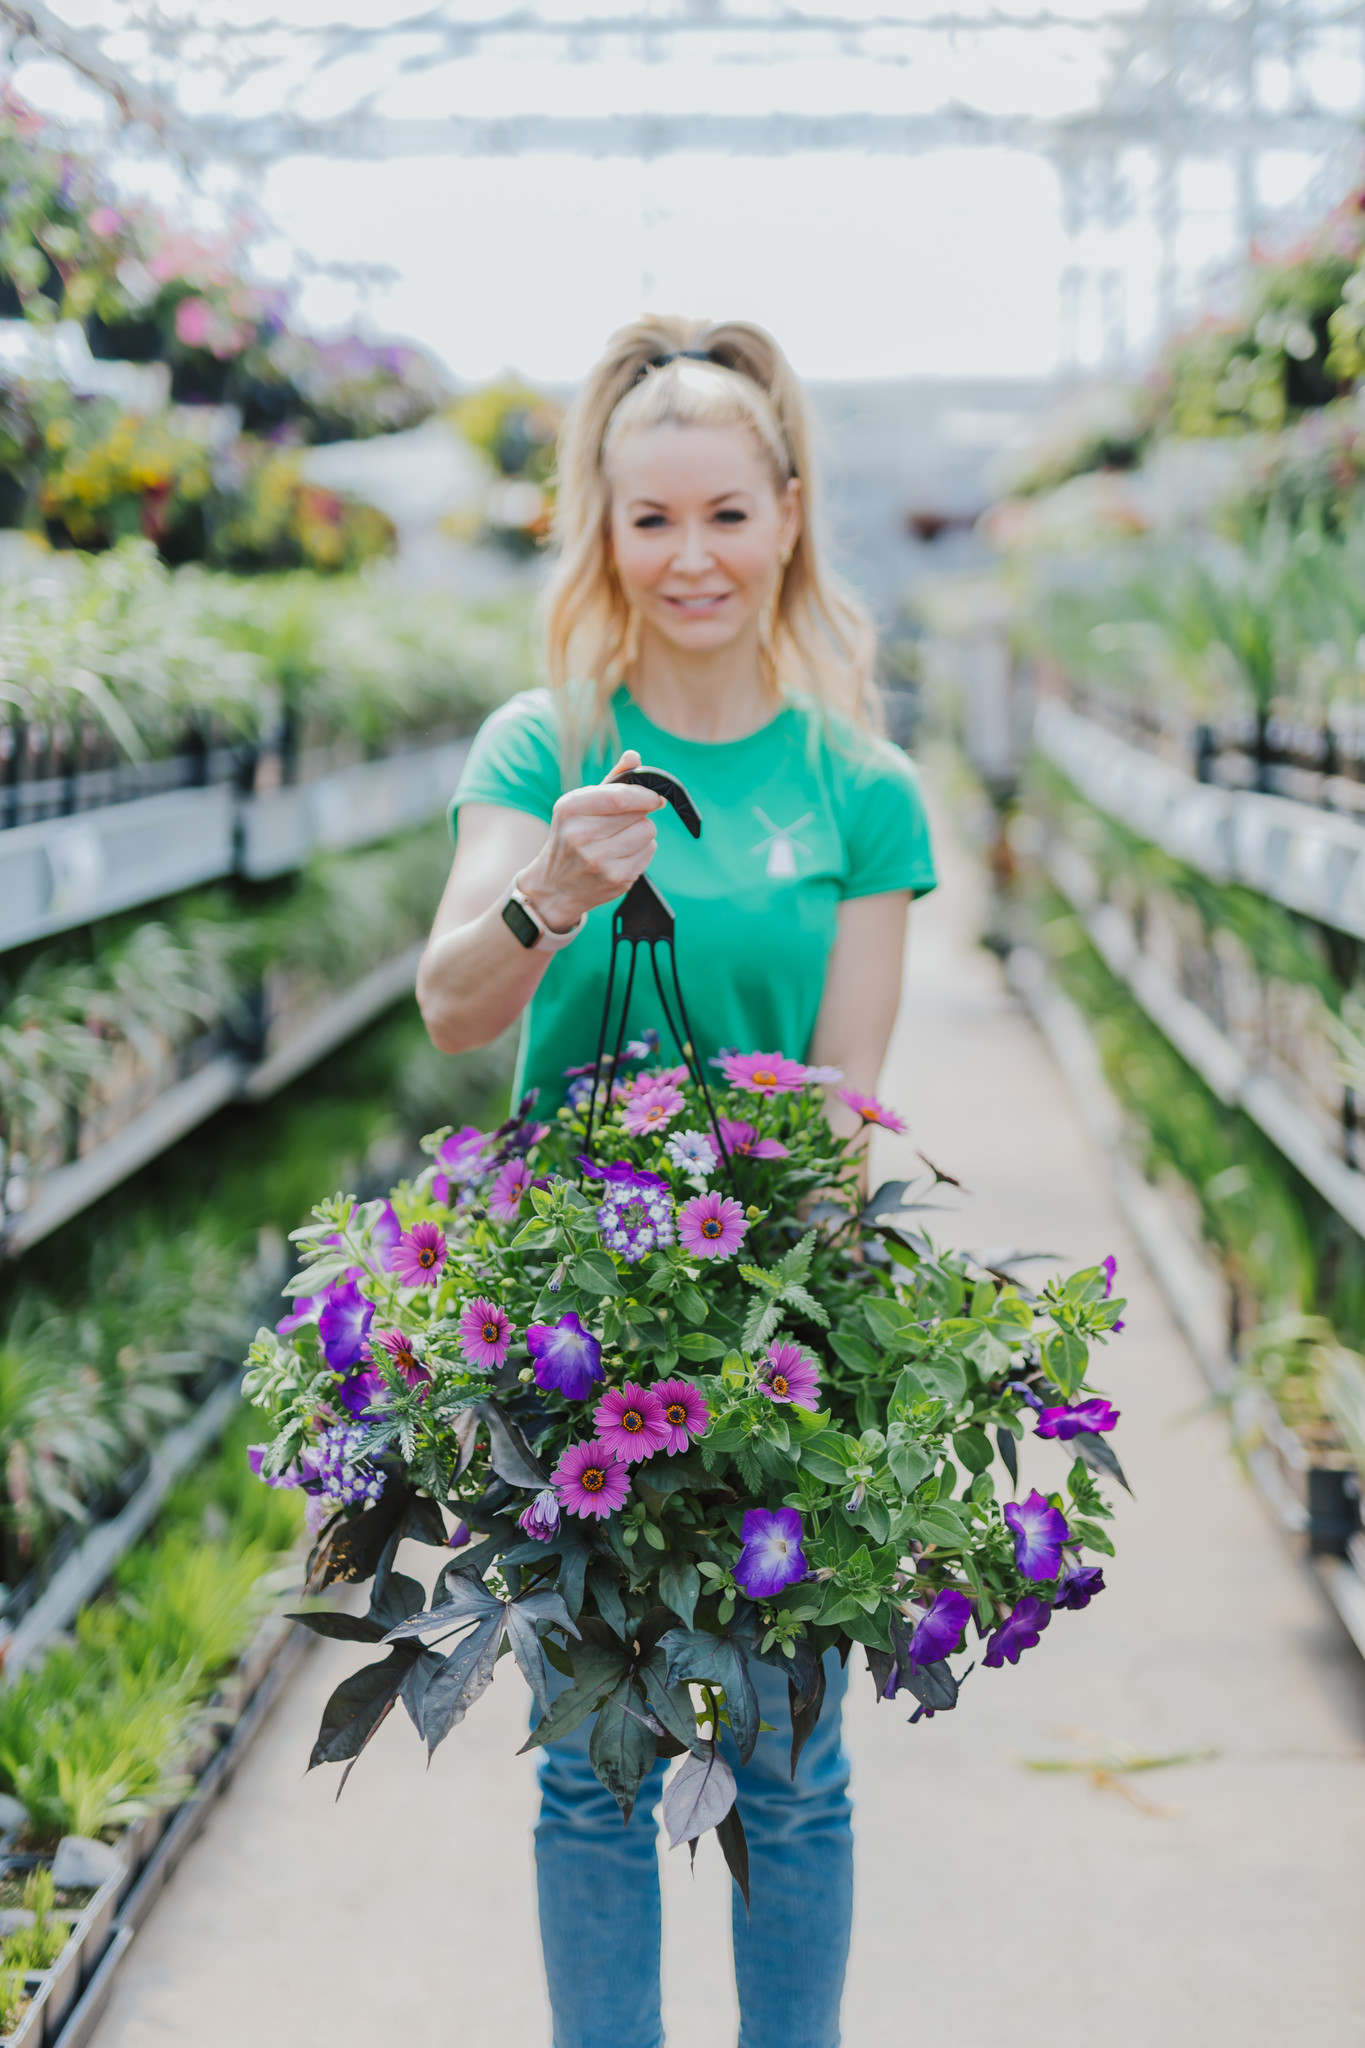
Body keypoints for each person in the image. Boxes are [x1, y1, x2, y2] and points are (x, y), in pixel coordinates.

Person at [417, 317, 937, 2048]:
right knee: (592, 1775)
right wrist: (551, 886)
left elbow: (847, 1106)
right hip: (569, 1322)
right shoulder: (540, 743)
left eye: (725, 513)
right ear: (602, 531)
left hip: (771, 1320)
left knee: (790, 1769)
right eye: (651, 521)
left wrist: (770, 1332)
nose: (690, 557)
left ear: (787, 514)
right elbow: (447, 1008)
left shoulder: (856, 790)